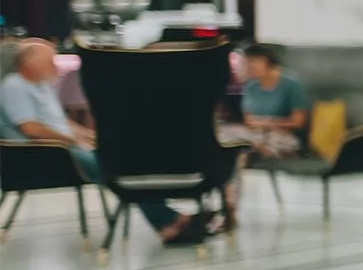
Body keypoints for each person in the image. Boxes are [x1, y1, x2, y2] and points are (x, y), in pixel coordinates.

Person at [0, 39, 207, 245]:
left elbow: (62, 123)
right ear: (29, 63)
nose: (54, 65)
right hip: (45, 155)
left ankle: (167, 219)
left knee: (126, 158)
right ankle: (168, 222)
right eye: (49, 60)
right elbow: (32, 129)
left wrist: (91, 137)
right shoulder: (13, 87)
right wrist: (74, 140)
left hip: (65, 148)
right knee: (117, 168)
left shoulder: (42, 87)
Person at [217, 44, 312, 228]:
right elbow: (249, 120)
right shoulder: (251, 86)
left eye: (253, 63)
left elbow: (298, 121)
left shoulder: (292, 85)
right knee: (229, 145)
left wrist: (265, 123)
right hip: (254, 135)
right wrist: (264, 124)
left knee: (240, 146)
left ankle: (229, 207)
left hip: (284, 137)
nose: (248, 67)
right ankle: (228, 206)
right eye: (247, 63)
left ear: (268, 62)